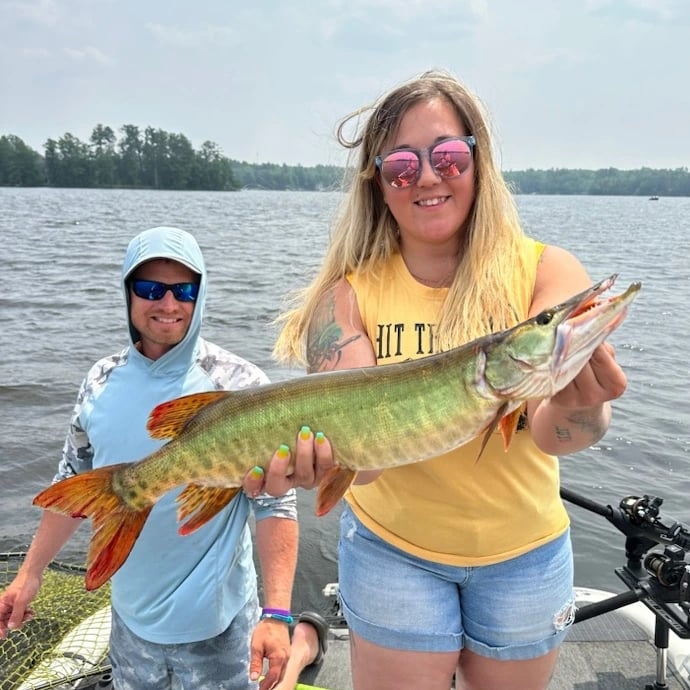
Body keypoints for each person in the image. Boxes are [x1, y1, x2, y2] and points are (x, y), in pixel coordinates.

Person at [263, 69, 630, 690]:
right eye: (403, 165)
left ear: (479, 163)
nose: (429, 177)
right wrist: (320, 459)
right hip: (392, 556)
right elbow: (369, 462)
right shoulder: (344, 300)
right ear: (379, 185)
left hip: (523, 558)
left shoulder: (546, 269)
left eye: (450, 157)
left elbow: (553, 435)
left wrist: (585, 409)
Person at [0, 226, 320, 690]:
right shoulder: (99, 381)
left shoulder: (239, 384)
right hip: (130, 624)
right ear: (128, 294)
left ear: (200, 294)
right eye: (150, 289)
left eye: (183, 290)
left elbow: (275, 504)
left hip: (219, 628)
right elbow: (74, 482)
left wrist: (275, 613)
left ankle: (305, 640)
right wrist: (29, 575)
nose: (168, 305)